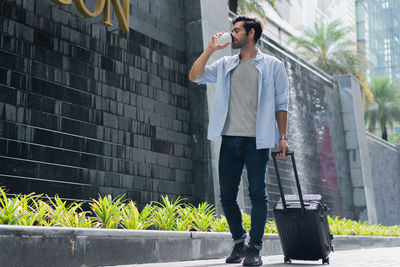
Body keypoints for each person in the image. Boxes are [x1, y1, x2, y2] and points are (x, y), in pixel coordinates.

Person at [188, 16, 289, 266]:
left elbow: (281, 104)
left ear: (251, 33)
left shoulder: (273, 65)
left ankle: (255, 249)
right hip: (230, 140)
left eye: (236, 31)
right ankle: (238, 243)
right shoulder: (225, 64)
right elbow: (194, 76)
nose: (232, 35)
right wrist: (210, 49)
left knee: (258, 194)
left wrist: (283, 137)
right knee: (226, 196)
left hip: (258, 141)